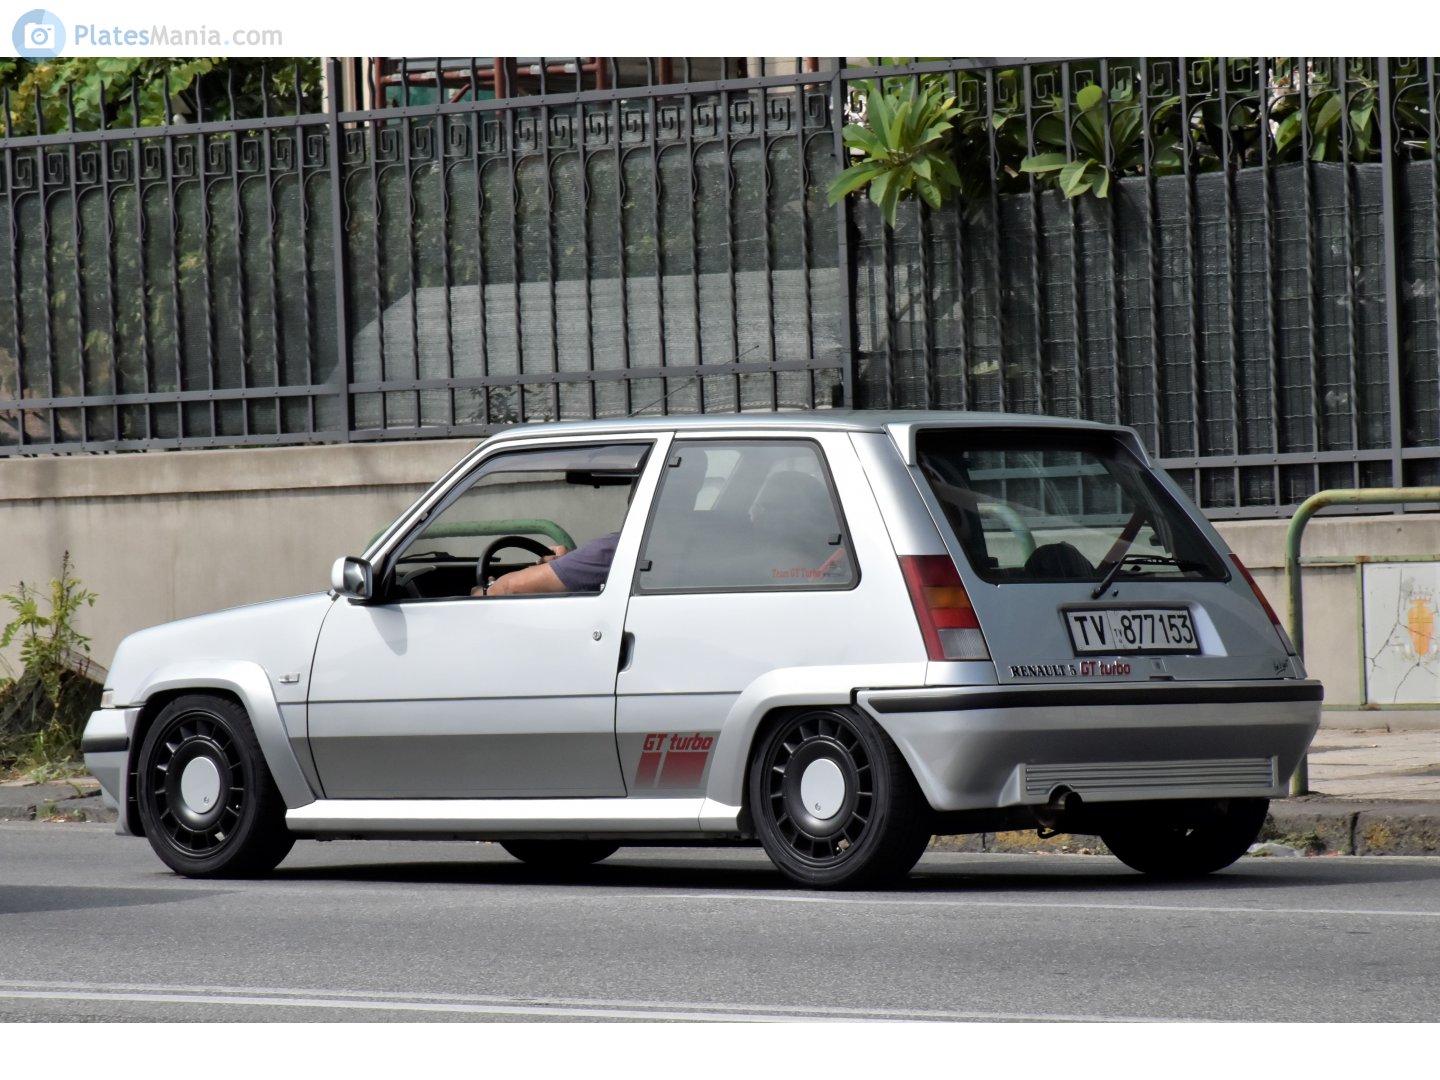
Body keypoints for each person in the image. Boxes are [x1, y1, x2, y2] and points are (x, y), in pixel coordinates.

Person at [472, 532, 620, 596]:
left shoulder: (613, 546)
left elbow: (510, 587)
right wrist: (564, 562)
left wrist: (487, 592)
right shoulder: (622, 548)